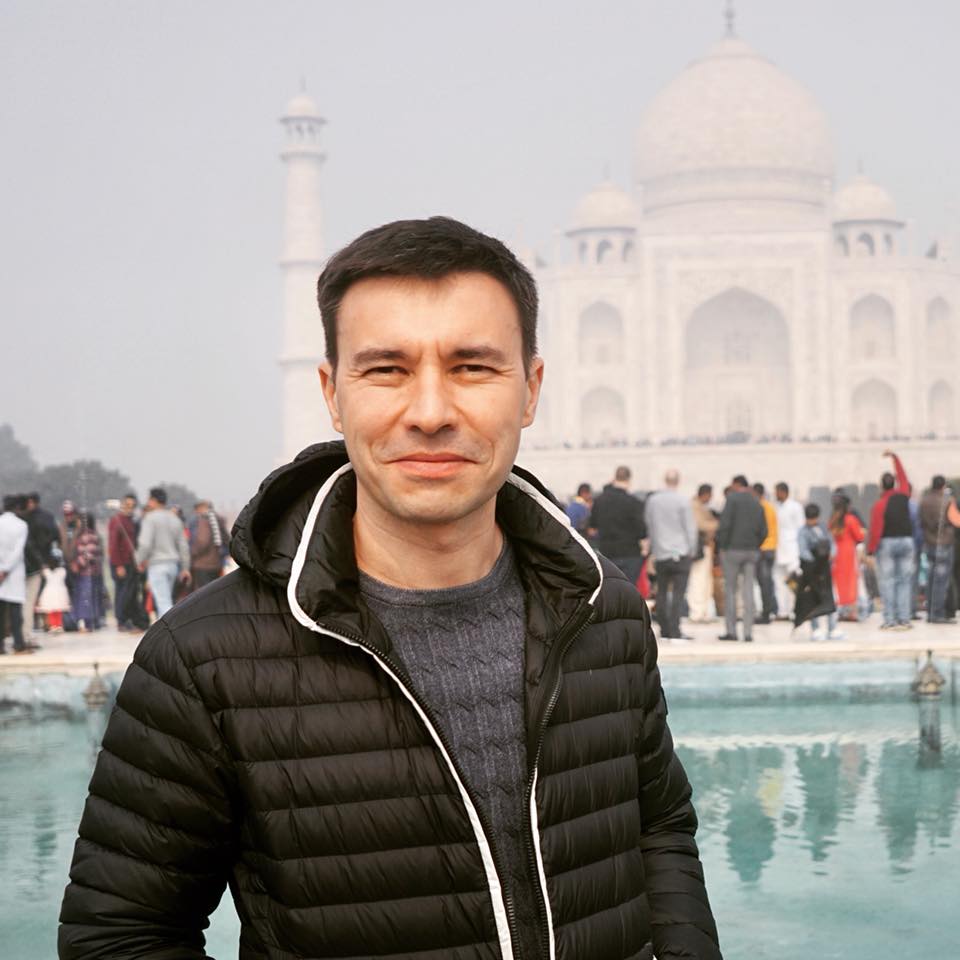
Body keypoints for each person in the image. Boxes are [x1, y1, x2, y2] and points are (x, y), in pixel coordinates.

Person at [60, 217, 721, 960]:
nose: (431, 413)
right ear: (332, 393)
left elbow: (659, 829)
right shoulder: (205, 660)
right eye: (386, 370)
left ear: (531, 389)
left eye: (472, 367)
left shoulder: (602, 611)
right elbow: (119, 935)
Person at [645, 469, 697, 641]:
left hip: (661, 553)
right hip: (680, 552)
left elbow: (650, 525)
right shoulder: (683, 501)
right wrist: (692, 550)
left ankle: (664, 629)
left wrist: (654, 548)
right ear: (678, 481)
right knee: (678, 594)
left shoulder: (653, 501)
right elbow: (690, 528)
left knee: (661, 592)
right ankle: (675, 630)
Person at [716, 474, 767, 643]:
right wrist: (755, 545)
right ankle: (748, 632)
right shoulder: (756, 501)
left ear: (737, 485)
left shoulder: (732, 500)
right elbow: (764, 530)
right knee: (748, 591)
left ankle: (731, 631)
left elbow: (725, 525)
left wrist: (722, 546)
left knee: (730, 590)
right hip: (751, 551)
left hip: (732, 550)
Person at [866, 451, 914, 630]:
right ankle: (904, 619)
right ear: (894, 483)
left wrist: (871, 550)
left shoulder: (879, 505)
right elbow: (904, 477)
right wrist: (895, 458)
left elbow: (876, 530)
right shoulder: (904, 495)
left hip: (887, 544)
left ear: (881, 486)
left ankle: (890, 620)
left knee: (888, 582)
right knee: (904, 582)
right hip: (907, 542)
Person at [134, 487, 190, 618]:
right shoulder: (175, 519)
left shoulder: (150, 518)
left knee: (163, 602)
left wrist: (138, 560)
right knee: (166, 599)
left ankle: (169, 628)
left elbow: (145, 544)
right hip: (172, 565)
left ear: (153, 500)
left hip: (157, 564)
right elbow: (183, 546)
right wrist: (185, 567)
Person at [588, 465, 647, 585]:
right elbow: (642, 532)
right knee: (629, 589)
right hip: (630, 553)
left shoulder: (599, 501)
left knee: (610, 589)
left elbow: (593, 526)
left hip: (607, 553)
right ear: (629, 480)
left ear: (615, 478)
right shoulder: (634, 502)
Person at [796, 503, 843, 641]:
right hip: (812, 569)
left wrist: (832, 553)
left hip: (825, 568)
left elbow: (832, 543)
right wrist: (814, 562)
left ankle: (832, 628)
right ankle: (815, 628)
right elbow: (803, 551)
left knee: (829, 597)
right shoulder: (803, 532)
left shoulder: (823, 528)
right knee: (814, 598)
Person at [918, 475, 960, 623]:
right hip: (944, 544)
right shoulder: (947, 501)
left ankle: (930, 611)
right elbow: (957, 521)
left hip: (929, 544)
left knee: (931, 580)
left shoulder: (923, 501)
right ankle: (937, 614)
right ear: (943, 486)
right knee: (941, 582)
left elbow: (921, 521)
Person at [23, 492, 59, 641]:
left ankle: (41, 622)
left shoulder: (27, 518)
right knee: (42, 593)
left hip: (34, 560)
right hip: (43, 558)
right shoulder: (47, 516)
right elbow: (55, 535)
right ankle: (43, 622)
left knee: (37, 594)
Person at [0, 495, 32, 655]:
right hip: (14, 572)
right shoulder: (21, 525)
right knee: (15, 612)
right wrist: (6, 569)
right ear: (17, 508)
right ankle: (18, 644)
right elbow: (17, 551)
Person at [108, 493, 144, 631]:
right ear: (122, 504)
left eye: (132, 505)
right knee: (123, 593)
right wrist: (118, 565)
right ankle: (121, 620)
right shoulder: (116, 520)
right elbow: (113, 545)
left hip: (131, 562)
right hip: (121, 562)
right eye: (127, 505)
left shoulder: (131, 521)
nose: (130, 508)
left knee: (129, 592)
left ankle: (126, 618)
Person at [829, 490, 865, 620]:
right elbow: (859, 536)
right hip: (849, 554)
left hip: (836, 555)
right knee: (851, 582)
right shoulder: (851, 519)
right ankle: (852, 612)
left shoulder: (832, 520)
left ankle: (840, 610)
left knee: (838, 583)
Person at [773, 481, 804, 620]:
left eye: (777, 492)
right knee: (779, 582)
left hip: (792, 549)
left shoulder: (795, 507)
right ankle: (782, 611)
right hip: (779, 549)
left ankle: (794, 610)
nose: (775, 494)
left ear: (783, 492)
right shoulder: (776, 507)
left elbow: (800, 528)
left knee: (793, 582)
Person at [688, 483, 719, 623]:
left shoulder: (701, 506)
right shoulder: (694, 506)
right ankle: (697, 612)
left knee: (706, 581)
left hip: (707, 547)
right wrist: (718, 524)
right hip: (699, 548)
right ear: (705, 494)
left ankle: (704, 611)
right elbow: (700, 525)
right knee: (698, 580)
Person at [70, 513, 105, 632]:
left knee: (86, 598)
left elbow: (89, 554)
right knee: (92, 597)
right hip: (93, 572)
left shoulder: (87, 536)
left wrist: (78, 564)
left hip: (86, 572)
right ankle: (94, 621)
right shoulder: (94, 535)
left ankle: (89, 623)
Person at [752, 483, 778, 624]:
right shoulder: (769, 506)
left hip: (764, 548)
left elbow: (762, 529)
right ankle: (769, 610)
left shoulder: (762, 507)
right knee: (766, 582)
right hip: (769, 548)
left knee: (764, 583)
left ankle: (766, 613)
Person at [188, 499, 229, 589]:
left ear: (201, 508)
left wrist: (192, 553)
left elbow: (202, 541)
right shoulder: (218, 519)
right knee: (214, 590)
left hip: (203, 563)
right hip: (216, 563)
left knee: (203, 592)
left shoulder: (204, 520)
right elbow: (227, 540)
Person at [36, 553, 70, 633]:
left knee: (51, 610)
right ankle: (59, 625)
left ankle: (53, 626)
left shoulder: (46, 571)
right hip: (60, 591)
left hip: (49, 592)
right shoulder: (62, 571)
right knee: (58, 611)